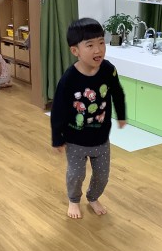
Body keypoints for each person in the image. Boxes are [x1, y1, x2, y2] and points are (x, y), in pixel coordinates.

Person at [50, 18, 126, 219]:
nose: (98, 49)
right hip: (75, 139)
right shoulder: (69, 78)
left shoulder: (108, 69)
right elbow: (58, 109)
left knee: (102, 175)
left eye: (101, 42)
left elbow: (117, 92)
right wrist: (57, 138)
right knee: (76, 175)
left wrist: (121, 114)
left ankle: (93, 197)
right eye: (90, 45)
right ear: (75, 50)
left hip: (101, 138)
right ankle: (74, 200)